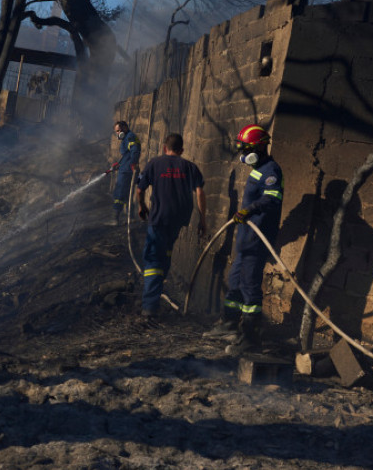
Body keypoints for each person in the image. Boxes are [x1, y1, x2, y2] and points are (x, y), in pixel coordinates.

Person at [208, 124, 284, 354]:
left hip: (256, 240)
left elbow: (272, 200)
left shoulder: (272, 171)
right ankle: (229, 322)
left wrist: (249, 210)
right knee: (235, 281)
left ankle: (250, 338)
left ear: (259, 147)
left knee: (250, 287)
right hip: (245, 239)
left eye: (246, 149)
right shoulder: (257, 169)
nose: (243, 154)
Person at [135, 133, 207, 319]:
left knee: (152, 259)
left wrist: (142, 206)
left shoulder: (155, 163)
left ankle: (149, 308)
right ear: (182, 150)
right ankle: (160, 283)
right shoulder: (190, 167)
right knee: (166, 250)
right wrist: (202, 219)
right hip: (179, 219)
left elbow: (140, 189)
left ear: (164, 147)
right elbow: (200, 193)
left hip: (159, 218)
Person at [107, 120, 141, 225]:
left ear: (125, 128)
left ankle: (115, 218)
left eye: (119, 131)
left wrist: (132, 165)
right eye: (116, 132)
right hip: (125, 168)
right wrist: (119, 165)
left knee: (119, 193)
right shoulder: (127, 138)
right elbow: (127, 155)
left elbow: (135, 151)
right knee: (127, 193)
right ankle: (131, 218)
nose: (118, 133)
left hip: (127, 171)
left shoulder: (130, 137)